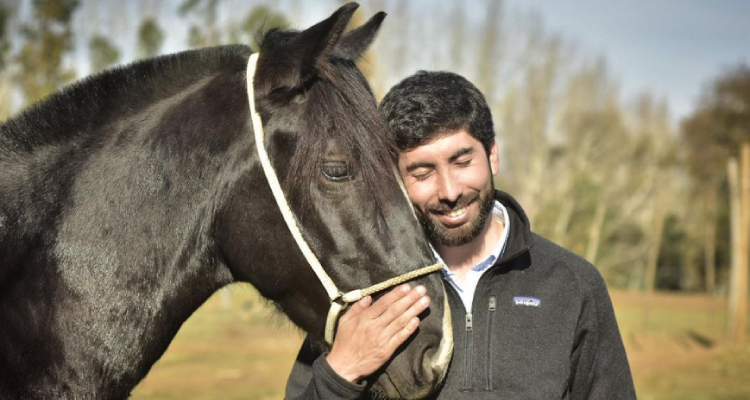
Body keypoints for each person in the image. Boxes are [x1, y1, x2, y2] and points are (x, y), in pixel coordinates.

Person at [284, 71, 636, 399]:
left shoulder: (572, 284)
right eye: (422, 172)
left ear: (493, 156)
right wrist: (341, 371)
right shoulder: (360, 291)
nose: (449, 191)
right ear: (393, 179)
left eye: (462, 161)